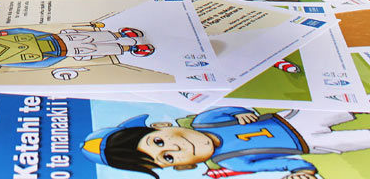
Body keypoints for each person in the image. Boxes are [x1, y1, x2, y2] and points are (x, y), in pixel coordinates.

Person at [80, 106, 370, 178]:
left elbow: (229, 110)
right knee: (360, 140)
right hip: (311, 144)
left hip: (294, 117)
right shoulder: (231, 161)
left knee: (352, 103)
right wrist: (301, 171)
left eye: (158, 141)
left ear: (161, 125)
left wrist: (242, 113)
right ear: (180, 168)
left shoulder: (205, 121)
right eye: (166, 159)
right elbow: (283, 162)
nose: (173, 150)